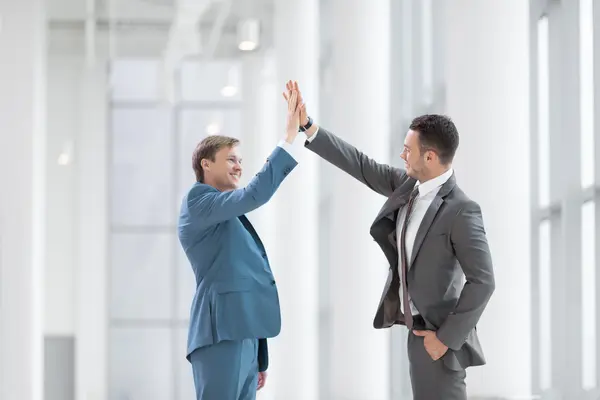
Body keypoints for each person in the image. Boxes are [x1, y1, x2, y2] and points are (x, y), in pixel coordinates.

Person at [283, 81, 495, 399]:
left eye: (408, 150)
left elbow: (483, 281)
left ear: (431, 157)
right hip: (417, 333)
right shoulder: (407, 185)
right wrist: (309, 127)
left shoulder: (462, 210)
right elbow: (361, 164)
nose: (402, 155)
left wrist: (446, 338)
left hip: (438, 337)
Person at [178, 89, 304, 400]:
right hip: (220, 334)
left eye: (240, 161)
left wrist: (259, 355)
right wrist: (289, 137)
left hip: (244, 337)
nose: (238, 166)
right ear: (206, 165)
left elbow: (246, 278)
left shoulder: (226, 213)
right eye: (231, 160)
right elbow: (253, 195)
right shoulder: (199, 201)